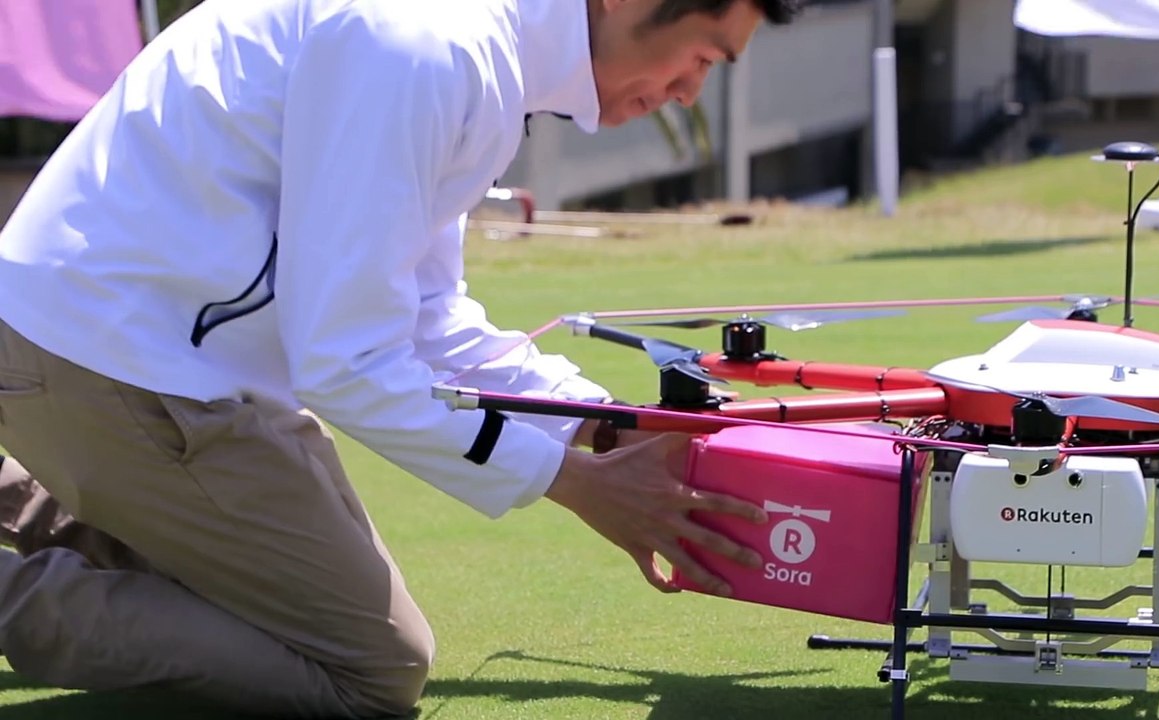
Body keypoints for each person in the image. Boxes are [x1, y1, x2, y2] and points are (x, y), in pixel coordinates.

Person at [0, 0, 805, 716]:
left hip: (119, 354)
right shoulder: (427, 44)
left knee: (290, 618)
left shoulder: (476, 47)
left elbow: (429, 317)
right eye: (703, 57)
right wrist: (568, 481)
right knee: (372, 670)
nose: (691, 92)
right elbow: (346, 360)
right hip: (112, 363)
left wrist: (601, 427)